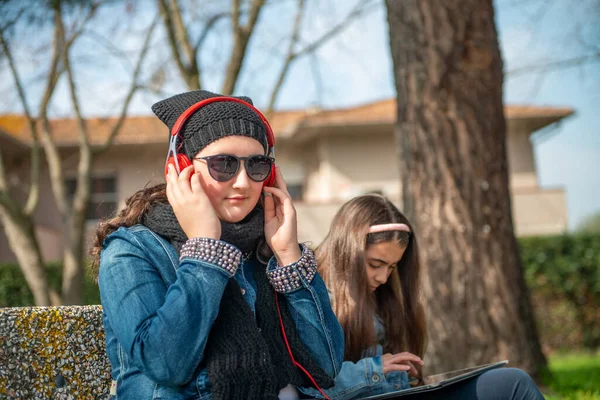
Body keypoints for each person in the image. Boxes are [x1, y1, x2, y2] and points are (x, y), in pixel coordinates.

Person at [89, 90, 344, 400]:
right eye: (223, 164)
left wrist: (290, 257)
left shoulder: (266, 249)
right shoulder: (131, 249)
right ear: (182, 168)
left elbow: (326, 366)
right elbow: (165, 363)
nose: (242, 182)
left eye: (257, 165)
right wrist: (205, 250)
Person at [310, 194, 545, 400]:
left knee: (512, 382)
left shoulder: (380, 298)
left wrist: (404, 378)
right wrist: (374, 370)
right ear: (347, 251)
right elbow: (306, 386)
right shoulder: (308, 297)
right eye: (375, 264)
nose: (383, 277)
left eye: (392, 267)